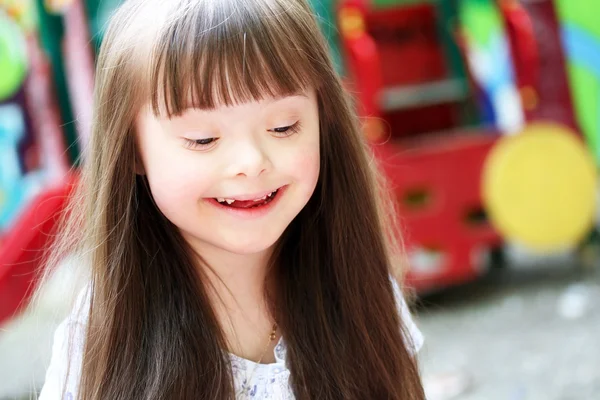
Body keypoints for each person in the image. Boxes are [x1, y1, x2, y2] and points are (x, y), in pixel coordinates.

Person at [38, 0, 425, 398]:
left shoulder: (359, 290)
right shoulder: (100, 337)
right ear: (133, 150)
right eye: (203, 139)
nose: (251, 163)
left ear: (323, 121)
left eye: (282, 127)